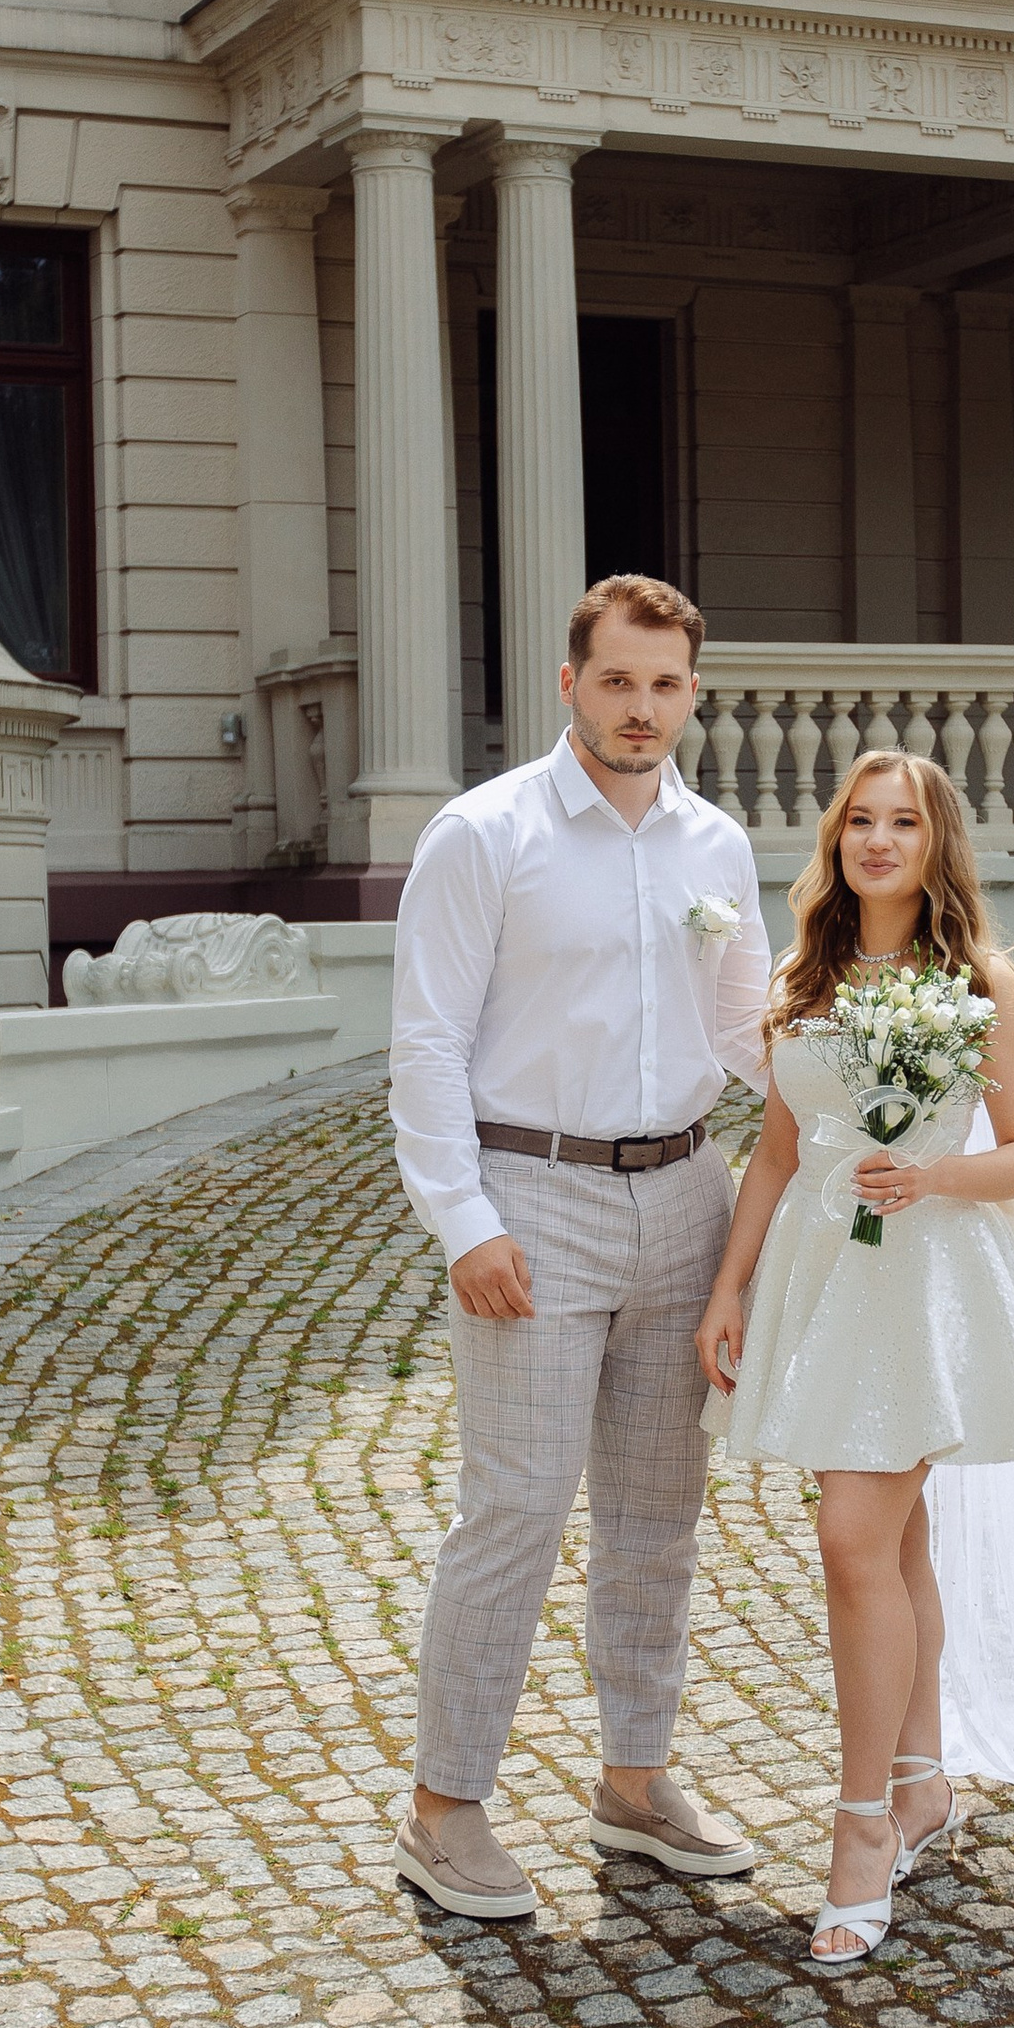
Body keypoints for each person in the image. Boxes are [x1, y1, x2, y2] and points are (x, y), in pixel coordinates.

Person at [387, 572, 771, 1921]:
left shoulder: (716, 847)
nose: (642, 709)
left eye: (666, 685)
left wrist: (865, 1095)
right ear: (570, 684)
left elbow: (745, 1033)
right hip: (530, 1198)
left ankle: (634, 1780)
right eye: (618, 681)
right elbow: (426, 1042)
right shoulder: (483, 836)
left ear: (692, 693)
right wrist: (465, 1219)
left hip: (685, 1198)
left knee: (660, 1512)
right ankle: (445, 1809)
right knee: (518, 1506)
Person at [695, 752, 1014, 1966]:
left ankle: (860, 1826)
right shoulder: (803, 974)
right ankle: (919, 1786)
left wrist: (931, 1175)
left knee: (851, 1539)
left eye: (901, 822)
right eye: (858, 821)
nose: (876, 840)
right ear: (836, 839)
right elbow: (773, 1147)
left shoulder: (980, 984)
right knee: (895, 1536)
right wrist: (730, 1284)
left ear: (935, 841)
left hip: (922, 1286)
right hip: (822, 1278)